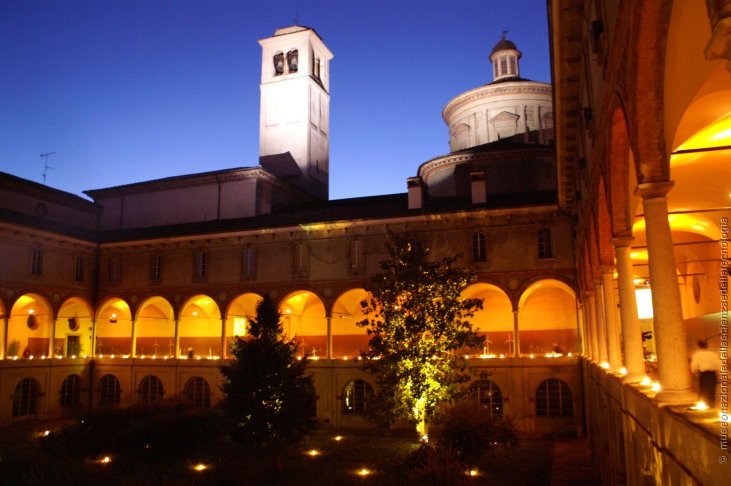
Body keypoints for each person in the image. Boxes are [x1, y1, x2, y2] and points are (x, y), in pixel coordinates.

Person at [690, 340, 721, 407]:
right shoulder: (713, 354)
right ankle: (712, 405)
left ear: (699, 346)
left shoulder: (696, 355)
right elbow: (718, 365)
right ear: (707, 346)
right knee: (712, 390)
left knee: (703, 390)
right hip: (712, 374)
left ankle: (705, 405)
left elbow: (694, 366)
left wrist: (694, 373)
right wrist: (719, 375)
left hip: (703, 375)